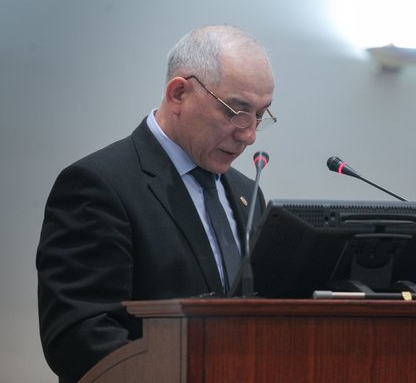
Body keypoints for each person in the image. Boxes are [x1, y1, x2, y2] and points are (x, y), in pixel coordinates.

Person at [36, 25, 276, 383]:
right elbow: (80, 334)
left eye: (260, 114)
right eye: (235, 111)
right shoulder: (99, 184)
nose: (249, 134)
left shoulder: (246, 192)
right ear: (178, 94)